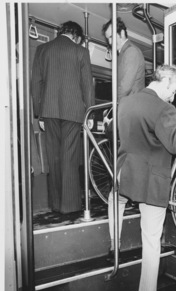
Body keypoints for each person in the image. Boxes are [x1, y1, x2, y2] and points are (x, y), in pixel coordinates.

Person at [108, 64, 176, 291]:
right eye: (173, 90)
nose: (174, 97)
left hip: (124, 172)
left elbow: (117, 134)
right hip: (151, 181)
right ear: (165, 81)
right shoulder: (165, 108)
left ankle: (113, 247)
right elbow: (175, 144)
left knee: (114, 200)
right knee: (151, 239)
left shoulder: (126, 103)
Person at [31, 21, 95, 214]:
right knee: (69, 157)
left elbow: (36, 83)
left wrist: (38, 113)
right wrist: (90, 113)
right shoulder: (80, 51)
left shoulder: (42, 49)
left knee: (54, 158)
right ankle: (71, 206)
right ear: (76, 36)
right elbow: (87, 86)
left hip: (49, 112)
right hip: (73, 112)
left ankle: (56, 205)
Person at [102, 17, 145, 102]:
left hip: (132, 106)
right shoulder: (121, 54)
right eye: (108, 39)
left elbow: (125, 86)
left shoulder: (131, 51)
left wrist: (115, 106)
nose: (110, 42)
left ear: (121, 33)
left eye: (111, 37)